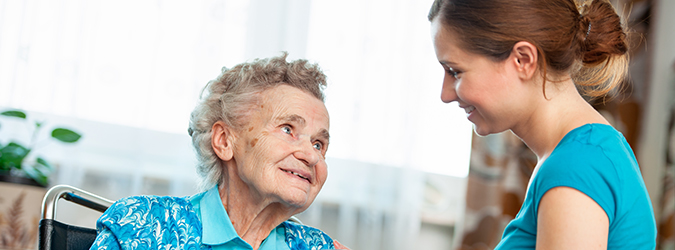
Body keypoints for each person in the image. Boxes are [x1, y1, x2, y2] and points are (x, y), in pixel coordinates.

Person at [428, 0, 656, 249]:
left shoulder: (577, 166)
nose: (445, 94)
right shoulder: (578, 155)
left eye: (455, 71)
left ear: (523, 60)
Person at [90, 53, 348, 250]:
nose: (312, 156)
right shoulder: (143, 226)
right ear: (224, 141)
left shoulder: (316, 246)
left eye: (318, 144)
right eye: (287, 129)